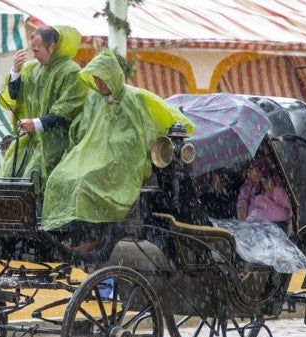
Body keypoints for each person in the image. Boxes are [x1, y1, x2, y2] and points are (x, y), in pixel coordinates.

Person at [40, 48, 195, 232]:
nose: (98, 83)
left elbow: (140, 134)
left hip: (120, 160)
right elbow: (82, 129)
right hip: (92, 156)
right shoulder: (94, 99)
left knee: (83, 183)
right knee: (59, 178)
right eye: (95, 79)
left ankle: (92, 236)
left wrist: (114, 144)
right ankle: (69, 232)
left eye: (101, 78)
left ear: (112, 76)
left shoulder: (134, 98)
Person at [0, 26, 88, 189]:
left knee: (32, 183)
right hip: (30, 140)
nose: (35, 55)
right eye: (33, 51)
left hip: (57, 143)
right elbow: (15, 95)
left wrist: (36, 123)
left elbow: (66, 112)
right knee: (8, 176)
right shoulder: (32, 69)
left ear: (52, 46)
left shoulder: (71, 72)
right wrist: (15, 72)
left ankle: (37, 214)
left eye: (37, 51)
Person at [237, 158, 291, 232]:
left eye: (254, 169)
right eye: (249, 169)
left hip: (276, 223)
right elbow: (242, 206)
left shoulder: (274, 180)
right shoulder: (247, 186)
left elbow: (286, 203)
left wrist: (268, 186)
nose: (250, 172)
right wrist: (244, 227)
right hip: (255, 226)